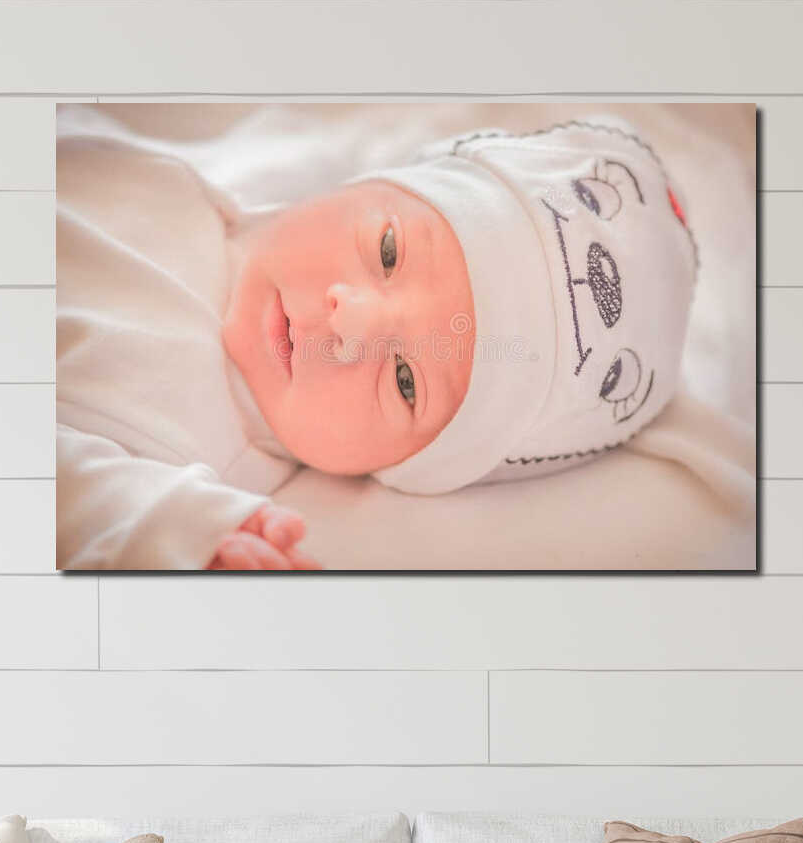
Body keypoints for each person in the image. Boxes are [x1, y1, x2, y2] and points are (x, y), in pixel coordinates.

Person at [55, 111, 699, 570]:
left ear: (396, 472)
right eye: (387, 250)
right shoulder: (213, 182)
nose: (351, 322)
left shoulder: (194, 454)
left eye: (406, 381)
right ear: (359, 189)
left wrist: (165, 527)